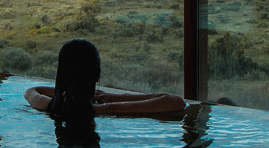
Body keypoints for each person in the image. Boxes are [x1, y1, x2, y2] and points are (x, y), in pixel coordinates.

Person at [24, 38, 187, 118]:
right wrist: (113, 98)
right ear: (96, 74)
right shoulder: (107, 110)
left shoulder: (48, 106)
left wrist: (65, 91)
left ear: (61, 75)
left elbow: (32, 91)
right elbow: (176, 102)